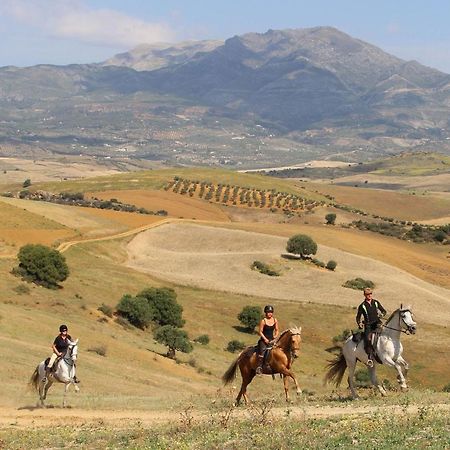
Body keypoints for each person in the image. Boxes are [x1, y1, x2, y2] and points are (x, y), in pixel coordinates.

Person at [356, 288, 387, 367]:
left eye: (370, 294)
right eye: (367, 294)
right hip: (368, 325)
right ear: (364, 295)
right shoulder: (362, 306)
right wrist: (359, 323)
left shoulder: (376, 302)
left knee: (385, 333)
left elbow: (384, 311)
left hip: (377, 323)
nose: (369, 295)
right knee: (368, 339)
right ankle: (370, 358)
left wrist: (381, 315)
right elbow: (358, 317)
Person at [256, 305, 279, 375]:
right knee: (262, 353)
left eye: (271, 312)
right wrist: (265, 339)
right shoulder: (263, 321)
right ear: (265, 313)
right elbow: (260, 332)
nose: (270, 313)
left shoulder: (275, 320)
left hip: (271, 340)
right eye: (268, 312)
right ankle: (259, 368)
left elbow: (277, 330)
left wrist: (275, 336)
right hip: (264, 340)